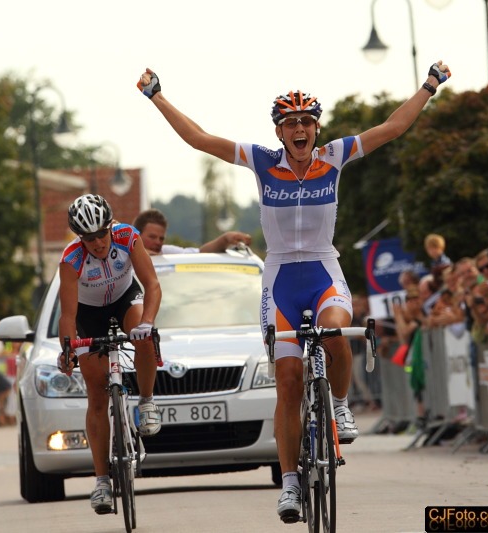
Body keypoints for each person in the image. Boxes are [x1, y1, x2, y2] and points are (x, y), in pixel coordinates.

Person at [137, 59, 452, 522]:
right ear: (280, 133)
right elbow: (200, 139)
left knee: (334, 334)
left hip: (323, 269)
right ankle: (287, 485)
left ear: (317, 127)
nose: (300, 129)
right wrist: (157, 95)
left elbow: (392, 127)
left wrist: (429, 86)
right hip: (281, 277)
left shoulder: (335, 156)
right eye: (291, 123)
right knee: (287, 383)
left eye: (307, 121)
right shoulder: (263, 162)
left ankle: (340, 407)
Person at [56, 193, 162, 515]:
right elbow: (68, 316)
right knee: (97, 397)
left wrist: (147, 322)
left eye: (102, 233)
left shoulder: (129, 238)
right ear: (80, 238)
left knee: (144, 338)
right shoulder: (71, 259)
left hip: (124, 299)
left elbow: (152, 285)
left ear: (110, 226)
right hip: (89, 314)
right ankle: (101, 479)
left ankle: (146, 401)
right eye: (89, 238)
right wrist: (68, 350)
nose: (99, 243)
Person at [132, 208, 251, 254]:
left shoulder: (167, 253)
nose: (158, 242)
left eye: (161, 238)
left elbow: (201, 254)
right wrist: (140, 254)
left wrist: (225, 239)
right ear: (137, 236)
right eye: (152, 237)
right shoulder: (123, 257)